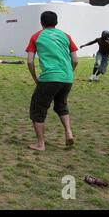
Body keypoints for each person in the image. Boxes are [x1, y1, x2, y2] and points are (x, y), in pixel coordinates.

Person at [25, 11, 78, 152]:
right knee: (61, 106)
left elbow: (30, 61)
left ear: (41, 23)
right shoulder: (66, 36)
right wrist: (69, 73)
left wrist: (36, 78)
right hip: (67, 78)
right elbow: (75, 59)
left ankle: (40, 144)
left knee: (38, 109)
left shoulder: (36, 36)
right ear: (56, 22)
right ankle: (68, 132)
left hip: (49, 78)